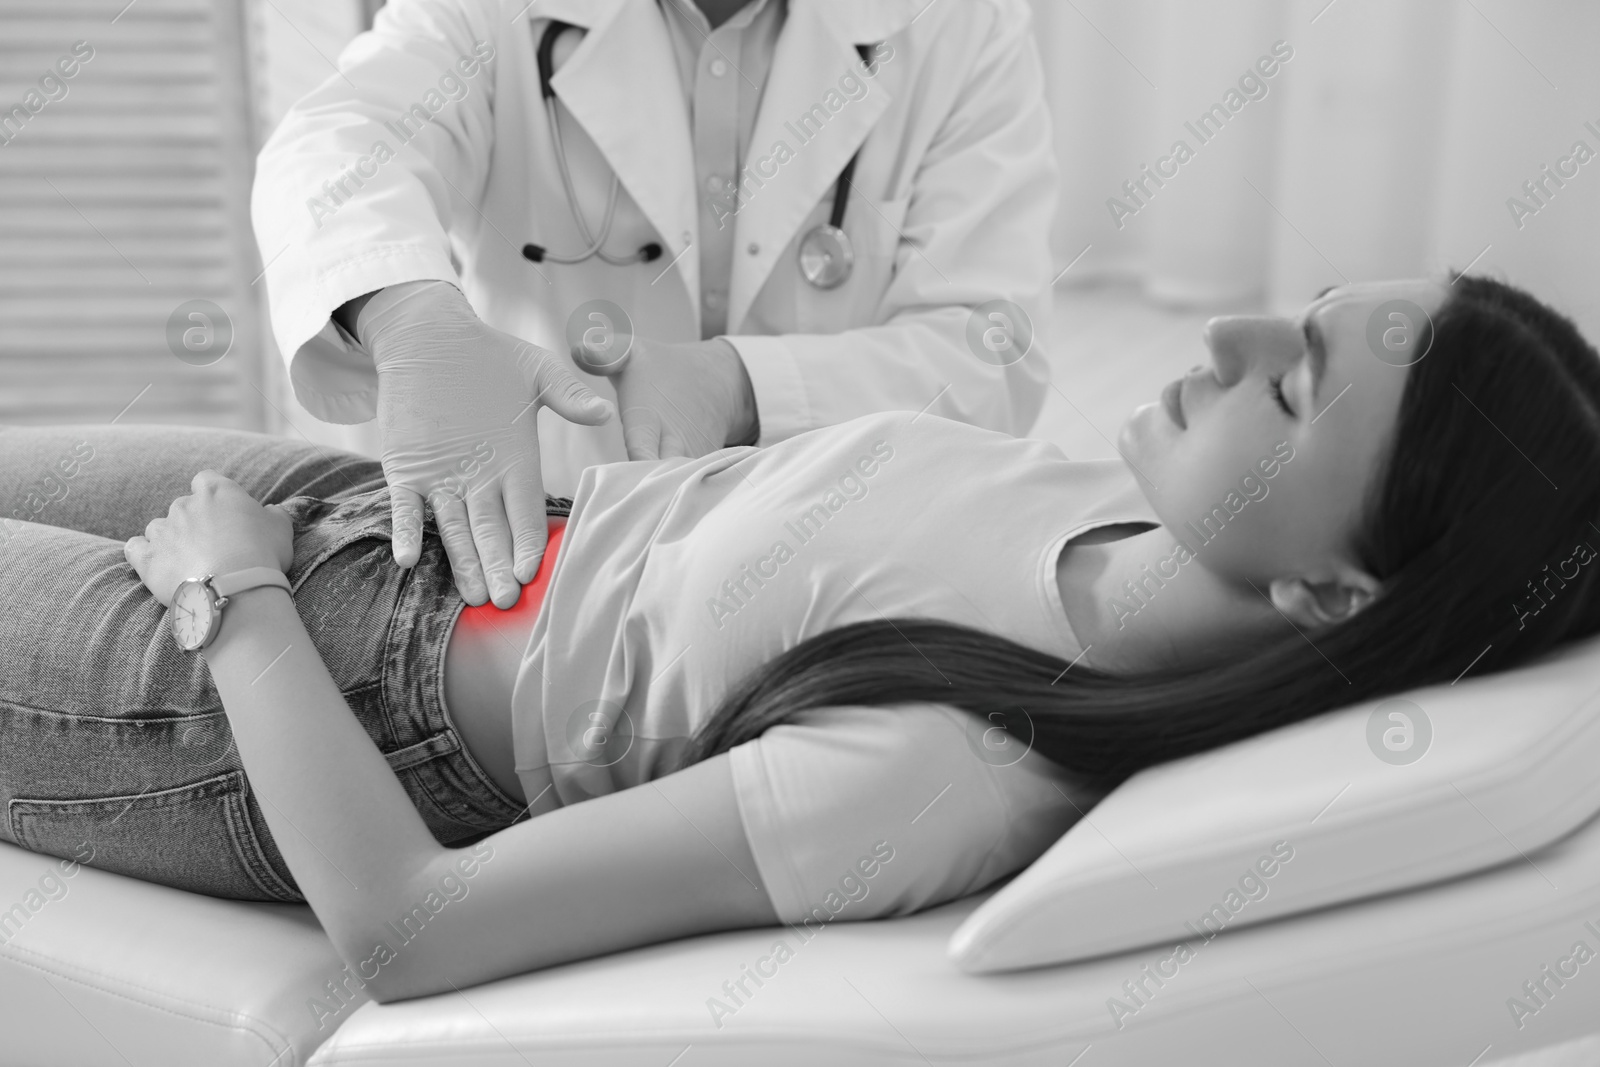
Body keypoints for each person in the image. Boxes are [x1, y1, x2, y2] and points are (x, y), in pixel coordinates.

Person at [1, 275, 1595, 1004]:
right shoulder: (1127, 507)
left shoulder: (956, 763)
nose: (1234, 334)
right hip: (377, 513)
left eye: (1295, 384)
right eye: (1302, 310)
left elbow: (409, 928)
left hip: (273, 687)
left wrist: (236, 600)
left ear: (1337, 594)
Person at [250, 0, 1058, 613]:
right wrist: (409, 316)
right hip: (546, 559)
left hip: (838, 570)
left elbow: (989, 349)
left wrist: (745, 385)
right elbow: (338, 139)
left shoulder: (960, 23)